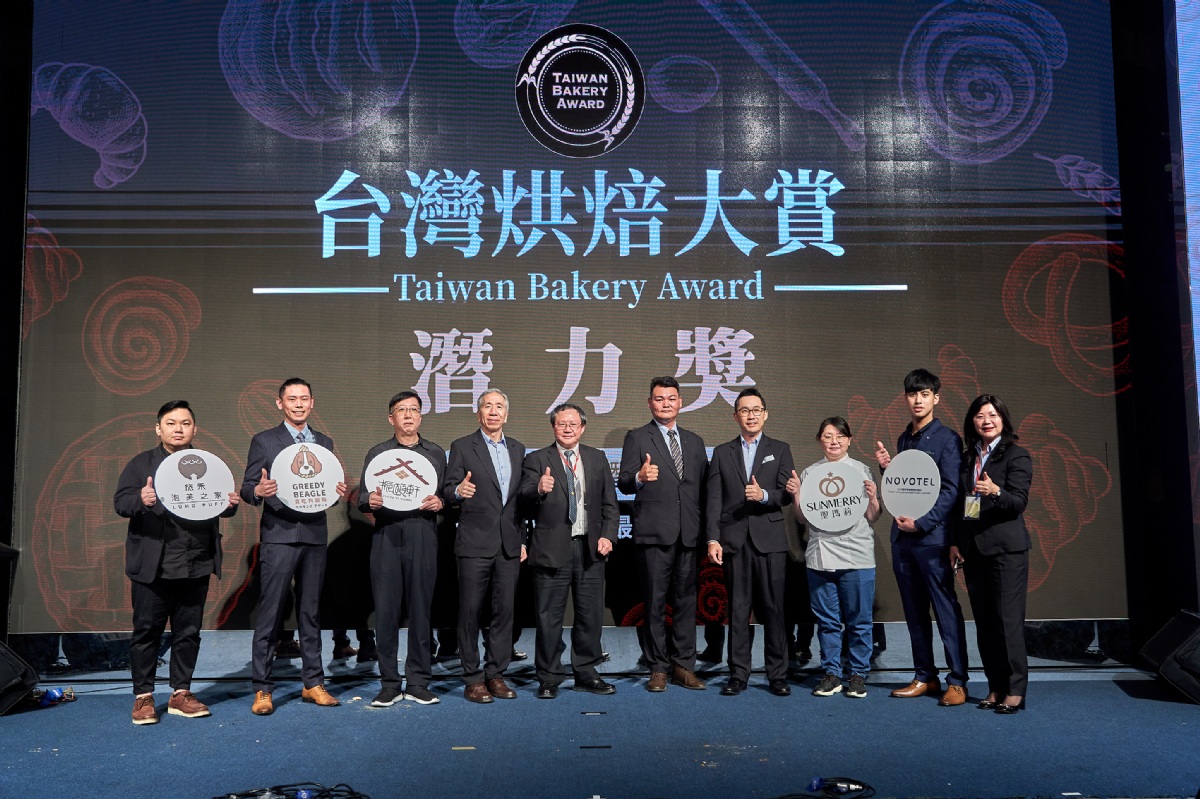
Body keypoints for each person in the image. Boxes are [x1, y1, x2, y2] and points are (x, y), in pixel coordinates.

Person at [114, 400, 239, 725]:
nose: (178, 429)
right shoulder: (142, 463)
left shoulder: (210, 464)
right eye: (171, 423)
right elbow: (121, 503)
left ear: (194, 429)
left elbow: (220, 504)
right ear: (159, 429)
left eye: (185, 423)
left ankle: (181, 693)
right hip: (153, 565)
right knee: (147, 631)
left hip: (196, 561)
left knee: (189, 632)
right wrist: (141, 500)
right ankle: (143, 696)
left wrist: (229, 504)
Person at [242, 378, 349, 716]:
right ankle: (263, 687)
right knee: (271, 612)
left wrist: (335, 493)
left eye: (304, 398)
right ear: (280, 403)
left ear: (312, 402)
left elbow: (323, 488)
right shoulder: (264, 440)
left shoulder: (324, 442)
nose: (299, 404)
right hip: (279, 535)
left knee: (311, 612)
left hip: (314, 535)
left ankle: (313, 682)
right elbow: (247, 487)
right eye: (292, 399)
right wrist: (257, 491)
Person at [874, 368, 970, 705]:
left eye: (925, 394)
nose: (918, 400)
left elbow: (951, 491)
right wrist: (887, 470)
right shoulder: (904, 439)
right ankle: (924, 676)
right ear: (906, 398)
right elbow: (907, 488)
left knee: (945, 610)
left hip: (932, 539)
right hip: (903, 539)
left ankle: (957, 681)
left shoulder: (948, 439)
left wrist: (923, 523)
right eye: (913, 394)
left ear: (936, 398)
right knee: (914, 612)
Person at [519, 403, 618, 698]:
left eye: (573, 424)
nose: (567, 429)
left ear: (583, 428)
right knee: (549, 618)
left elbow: (610, 505)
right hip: (551, 550)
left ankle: (586, 672)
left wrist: (608, 536)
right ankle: (549, 677)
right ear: (553, 427)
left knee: (590, 616)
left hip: (590, 549)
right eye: (562, 424)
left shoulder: (597, 458)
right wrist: (539, 488)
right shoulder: (537, 459)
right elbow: (523, 498)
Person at [618, 376, 709, 692]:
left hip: (689, 534)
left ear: (680, 402)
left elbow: (703, 491)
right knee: (654, 603)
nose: (666, 403)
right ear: (650, 403)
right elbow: (624, 482)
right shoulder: (637, 437)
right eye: (659, 398)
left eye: (671, 398)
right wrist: (639, 477)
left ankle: (683, 666)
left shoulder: (695, 441)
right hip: (654, 535)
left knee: (686, 602)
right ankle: (657, 667)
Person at [359, 390, 446, 707]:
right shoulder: (378, 454)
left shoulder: (435, 453)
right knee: (386, 612)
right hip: (387, 534)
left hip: (422, 533)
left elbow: (445, 493)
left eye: (413, 409)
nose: (408, 415)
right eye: (401, 410)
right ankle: (389, 684)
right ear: (391, 418)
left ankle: (419, 682)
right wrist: (370, 500)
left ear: (420, 416)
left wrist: (441, 501)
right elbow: (362, 498)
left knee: (421, 611)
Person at [706, 388, 796, 697]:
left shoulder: (780, 449)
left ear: (765, 414)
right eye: (744, 410)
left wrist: (764, 495)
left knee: (774, 610)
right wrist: (713, 538)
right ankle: (738, 674)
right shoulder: (722, 452)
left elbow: (786, 494)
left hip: (770, 541)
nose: (751, 415)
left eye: (756, 410)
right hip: (734, 541)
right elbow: (713, 500)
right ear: (735, 416)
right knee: (738, 610)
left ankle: (777, 674)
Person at [442, 389, 526, 704]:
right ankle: (473, 678)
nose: (493, 411)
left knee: (504, 613)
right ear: (478, 414)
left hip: (508, 544)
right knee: (470, 612)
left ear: (507, 414)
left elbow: (520, 502)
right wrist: (458, 491)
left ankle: (496, 674)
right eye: (487, 406)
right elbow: (447, 490)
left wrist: (522, 539)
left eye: (499, 406)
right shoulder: (463, 446)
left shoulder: (518, 449)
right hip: (474, 542)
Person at [950, 395, 1032, 714]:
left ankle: (1015, 690)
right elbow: (964, 506)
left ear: (1003, 419)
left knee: (1007, 622)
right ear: (972, 422)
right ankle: (996, 686)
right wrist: (956, 542)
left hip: (1006, 552)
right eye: (980, 416)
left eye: (993, 415)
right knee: (985, 624)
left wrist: (996, 491)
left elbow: (1018, 502)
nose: (986, 420)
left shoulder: (1016, 454)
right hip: (975, 551)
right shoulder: (968, 458)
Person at [790, 417, 881, 699]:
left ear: (849, 440)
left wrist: (874, 498)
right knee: (827, 621)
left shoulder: (861, 470)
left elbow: (873, 516)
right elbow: (802, 518)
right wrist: (797, 495)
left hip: (857, 557)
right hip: (821, 557)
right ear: (820, 439)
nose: (834, 441)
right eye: (828, 436)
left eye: (840, 436)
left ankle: (858, 675)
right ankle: (831, 673)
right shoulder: (810, 473)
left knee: (859, 621)